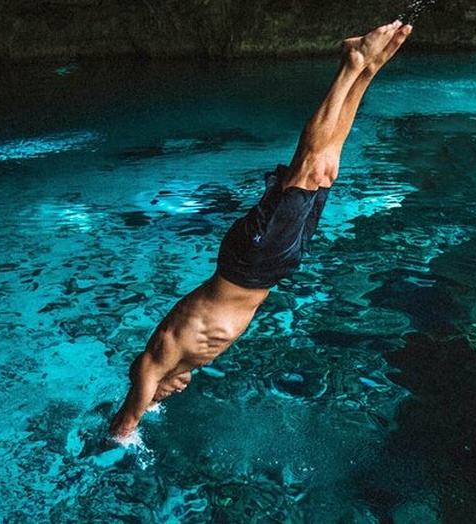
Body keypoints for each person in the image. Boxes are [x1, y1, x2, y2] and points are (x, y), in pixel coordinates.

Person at [109, 20, 413, 438]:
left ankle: (351, 63)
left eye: (162, 395)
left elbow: (127, 418)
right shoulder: (181, 363)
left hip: (251, 260)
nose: (173, 393)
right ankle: (368, 70)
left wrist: (127, 430)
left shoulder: (155, 360)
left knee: (307, 167)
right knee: (326, 170)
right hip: (268, 266)